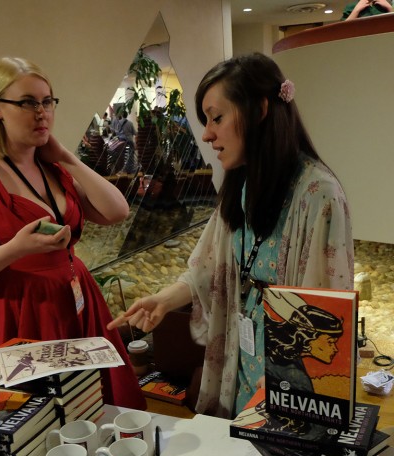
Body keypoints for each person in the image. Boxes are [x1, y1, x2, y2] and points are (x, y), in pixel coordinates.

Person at [108, 53, 354, 419]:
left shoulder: (317, 194)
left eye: (217, 118)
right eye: (206, 120)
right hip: (244, 361)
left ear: (259, 111)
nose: (207, 134)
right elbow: (208, 265)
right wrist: (163, 300)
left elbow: (324, 312)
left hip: (291, 382)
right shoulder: (242, 183)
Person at [0, 56, 145, 410]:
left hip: (76, 299)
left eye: (47, 101)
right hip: (21, 310)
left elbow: (117, 211)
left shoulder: (55, 170)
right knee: (37, 422)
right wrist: (15, 249)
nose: (42, 113)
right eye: (27, 102)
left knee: (97, 405)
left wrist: (68, 158)